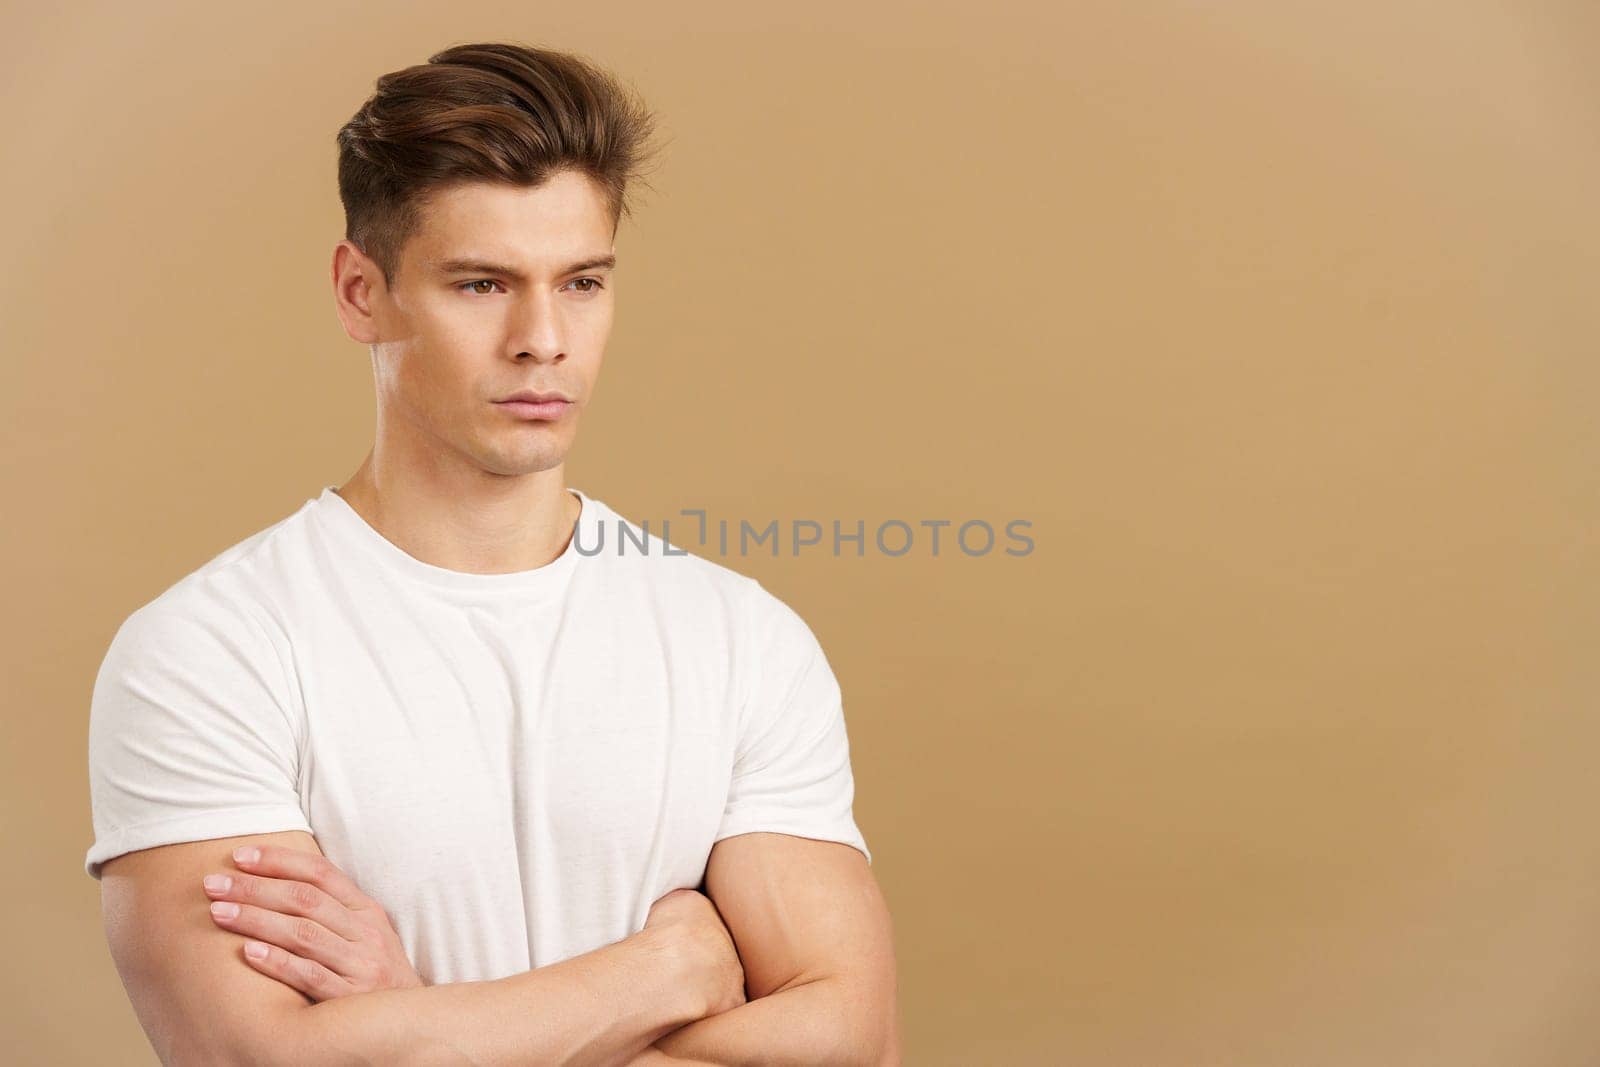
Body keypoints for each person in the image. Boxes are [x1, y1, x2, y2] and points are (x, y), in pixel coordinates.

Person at [86, 41, 900, 1066]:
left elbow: (852, 1041)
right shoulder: (209, 652)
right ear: (359, 292)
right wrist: (662, 971)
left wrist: (418, 1020)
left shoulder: (740, 638)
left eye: (584, 282)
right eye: (481, 284)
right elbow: (258, 1058)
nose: (543, 338)